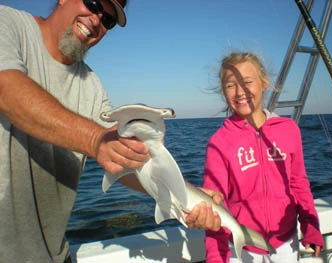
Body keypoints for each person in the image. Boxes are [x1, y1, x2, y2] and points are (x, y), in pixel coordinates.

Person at [0, 1, 221, 262]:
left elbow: (123, 161)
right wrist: (95, 139)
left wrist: (185, 193)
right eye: (93, 2)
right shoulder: (8, 23)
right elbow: (7, 90)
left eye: (108, 19)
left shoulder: (92, 87)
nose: (96, 20)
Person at [202, 52, 324, 263]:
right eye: (231, 85)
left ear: (264, 83)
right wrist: (216, 255)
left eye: (247, 82)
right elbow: (214, 206)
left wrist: (310, 225)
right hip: (242, 248)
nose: (240, 91)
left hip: (286, 243)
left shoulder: (289, 130)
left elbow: (299, 184)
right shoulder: (219, 142)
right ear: (223, 91)